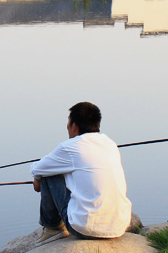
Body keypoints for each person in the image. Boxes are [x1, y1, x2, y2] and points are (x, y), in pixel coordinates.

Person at [31, 102, 132, 243]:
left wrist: (37, 179)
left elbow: (38, 168)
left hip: (86, 229)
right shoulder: (110, 143)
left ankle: (53, 228)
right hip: (119, 226)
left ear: (74, 126)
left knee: (49, 175)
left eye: (68, 123)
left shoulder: (70, 147)